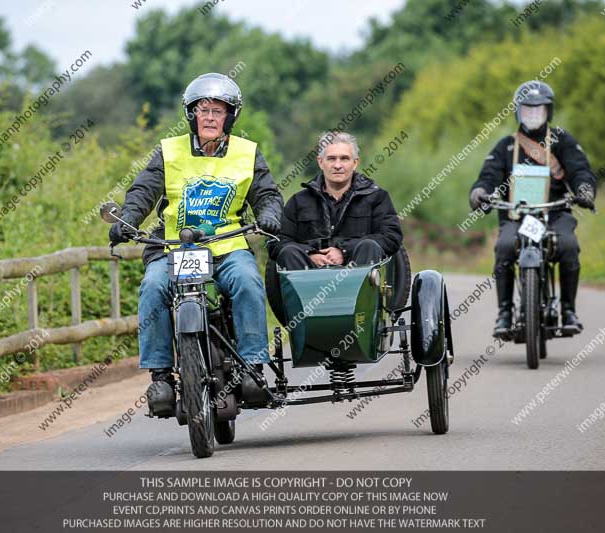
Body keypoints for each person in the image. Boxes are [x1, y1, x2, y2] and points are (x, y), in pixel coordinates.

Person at [109, 73, 283, 416]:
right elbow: (143, 191)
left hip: (227, 246)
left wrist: (270, 214)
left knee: (248, 282)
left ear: (230, 117)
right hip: (174, 249)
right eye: (202, 110)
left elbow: (267, 194)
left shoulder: (247, 153)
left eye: (218, 111)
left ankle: (252, 368)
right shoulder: (168, 151)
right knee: (153, 286)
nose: (210, 117)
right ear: (191, 115)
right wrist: (127, 219)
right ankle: (161, 377)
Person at [469, 80, 596, 339]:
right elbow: (488, 176)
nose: (533, 114)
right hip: (516, 216)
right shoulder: (505, 146)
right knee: (505, 246)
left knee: (569, 245)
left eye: (539, 110)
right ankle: (504, 312)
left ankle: (568, 310)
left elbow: (580, 170)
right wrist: (480, 192)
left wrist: (584, 190)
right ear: (518, 112)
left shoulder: (562, 141)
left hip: (555, 213)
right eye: (528, 110)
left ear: (548, 111)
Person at [269, 132, 403, 270]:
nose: (337, 165)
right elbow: (277, 243)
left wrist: (344, 251)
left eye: (344, 158)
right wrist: (310, 254)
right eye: (331, 159)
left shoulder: (377, 198)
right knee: (289, 251)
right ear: (321, 162)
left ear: (355, 162)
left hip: (357, 277)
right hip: (308, 279)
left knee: (369, 245)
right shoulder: (298, 202)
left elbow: (391, 237)